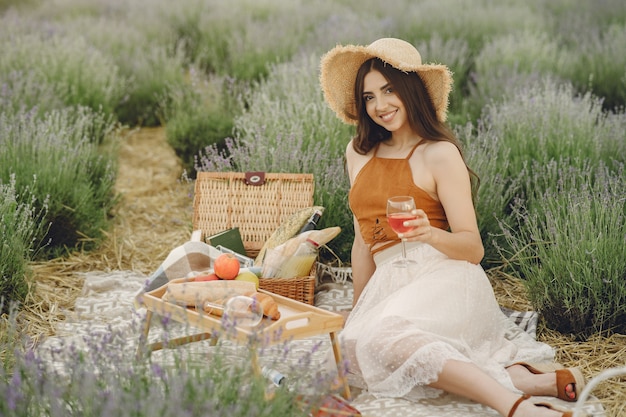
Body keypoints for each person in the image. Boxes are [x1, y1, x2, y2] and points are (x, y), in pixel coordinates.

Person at [319, 38, 586, 417]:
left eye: (389, 90)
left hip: (443, 272)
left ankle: (517, 406)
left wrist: (428, 233)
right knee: (353, 350)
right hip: (392, 280)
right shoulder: (358, 153)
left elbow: (472, 248)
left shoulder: (438, 154)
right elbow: (365, 241)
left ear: (410, 89)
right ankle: (531, 380)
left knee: (386, 341)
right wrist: (360, 309)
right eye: (369, 97)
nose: (380, 106)